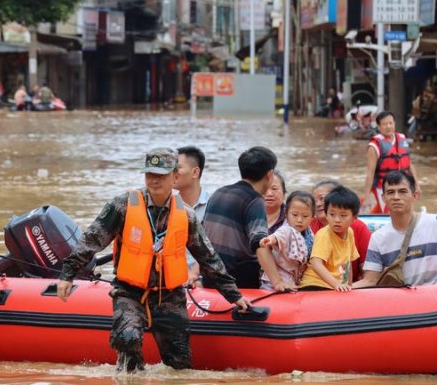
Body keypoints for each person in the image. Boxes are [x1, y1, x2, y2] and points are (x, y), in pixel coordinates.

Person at [56, 148, 250, 372]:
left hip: (168, 294)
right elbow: (91, 240)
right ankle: (132, 376)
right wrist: (67, 274)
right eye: (150, 174)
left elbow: (208, 257)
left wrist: (233, 295)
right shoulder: (122, 206)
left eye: (160, 175)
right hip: (129, 291)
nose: (154, 180)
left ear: (174, 177)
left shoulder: (187, 216)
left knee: (180, 362)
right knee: (127, 338)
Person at [203, 146, 283, 289]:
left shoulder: (218, 192)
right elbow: (260, 243)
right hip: (238, 283)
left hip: (209, 278)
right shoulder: (254, 200)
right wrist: (277, 282)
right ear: (269, 174)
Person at [353, 171, 437, 288]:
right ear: (383, 198)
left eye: (402, 191)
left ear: (415, 195)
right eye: (390, 192)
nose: (396, 197)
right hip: (405, 301)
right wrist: (336, 290)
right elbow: (370, 281)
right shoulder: (378, 239)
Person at [299, 186, 361, 291]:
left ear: (354, 218)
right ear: (326, 215)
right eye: (332, 214)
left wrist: (348, 286)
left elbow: (347, 264)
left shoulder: (350, 232)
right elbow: (316, 263)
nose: (337, 220)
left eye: (343, 215)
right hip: (314, 284)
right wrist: (336, 284)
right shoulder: (324, 235)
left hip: (332, 286)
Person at [310, 179, 371, 281]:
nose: (318, 204)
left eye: (322, 199)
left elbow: (365, 268)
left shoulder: (357, 228)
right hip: (319, 284)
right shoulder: (309, 226)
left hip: (343, 285)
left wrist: (348, 286)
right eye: (314, 201)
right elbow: (315, 263)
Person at [362, 111, 421, 214]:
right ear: (379, 127)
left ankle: (371, 217)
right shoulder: (374, 146)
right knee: (393, 212)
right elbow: (370, 173)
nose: (388, 126)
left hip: (403, 183)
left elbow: (409, 164)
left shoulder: (402, 138)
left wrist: (417, 184)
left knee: (405, 210)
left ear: (394, 124)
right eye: (384, 124)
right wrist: (366, 197)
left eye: (390, 123)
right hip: (383, 186)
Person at [257, 191, 316, 290]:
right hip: (275, 280)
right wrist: (269, 240)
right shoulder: (286, 230)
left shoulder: (310, 235)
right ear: (286, 214)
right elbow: (278, 236)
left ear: (312, 218)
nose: (299, 220)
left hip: (293, 279)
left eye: (305, 216)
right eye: (295, 215)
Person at [173, 146, 210, 283]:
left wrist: (194, 274)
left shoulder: (213, 206)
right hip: (174, 277)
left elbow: (215, 246)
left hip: (204, 278)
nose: (171, 172)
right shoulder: (166, 207)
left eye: (177, 167)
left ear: (195, 172)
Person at [263, 170, 287, 234]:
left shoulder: (294, 217)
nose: (269, 193)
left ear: (284, 194)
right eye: (264, 188)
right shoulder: (244, 218)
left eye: (274, 188)